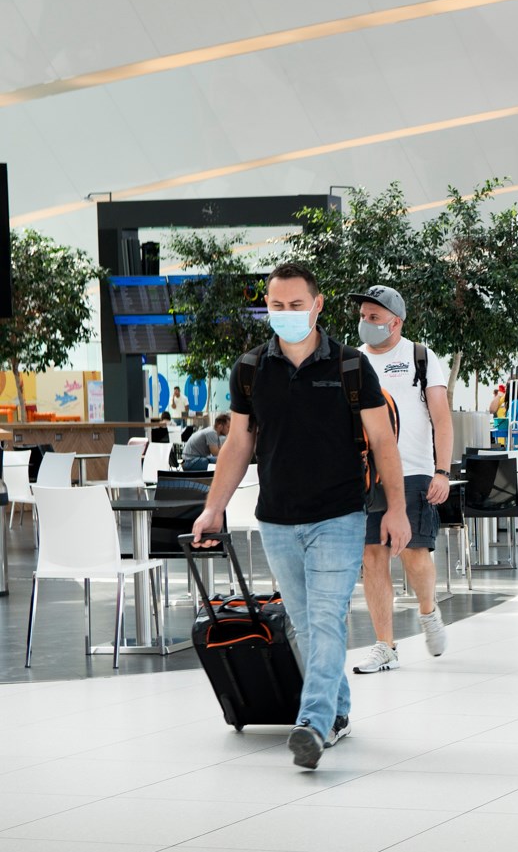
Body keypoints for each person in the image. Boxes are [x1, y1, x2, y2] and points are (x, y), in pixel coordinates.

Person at [190, 261, 408, 770]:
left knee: (326, 618)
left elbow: (382, 442)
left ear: (317, 305)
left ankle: (311, 723)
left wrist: (396, 509)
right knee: (307, 626)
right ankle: (337, 712)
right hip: (277, 518)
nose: (285, 313)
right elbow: (238, 444)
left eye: (295, 304)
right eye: (276, 305)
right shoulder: (250, 369)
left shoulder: (350, 366)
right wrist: (213, 508)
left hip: (339, 514)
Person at [348, 286, 452, 675]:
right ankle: (385, 645)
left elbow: (441, 419)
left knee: (413, 553)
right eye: (363, 316)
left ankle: (428, 610)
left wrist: (442, 471)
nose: (366, 323)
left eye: (374, 317)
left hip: (413, 470)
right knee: (372, 556)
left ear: (396, 322)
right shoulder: (352, 361)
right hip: (368, 474)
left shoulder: (420, 357)